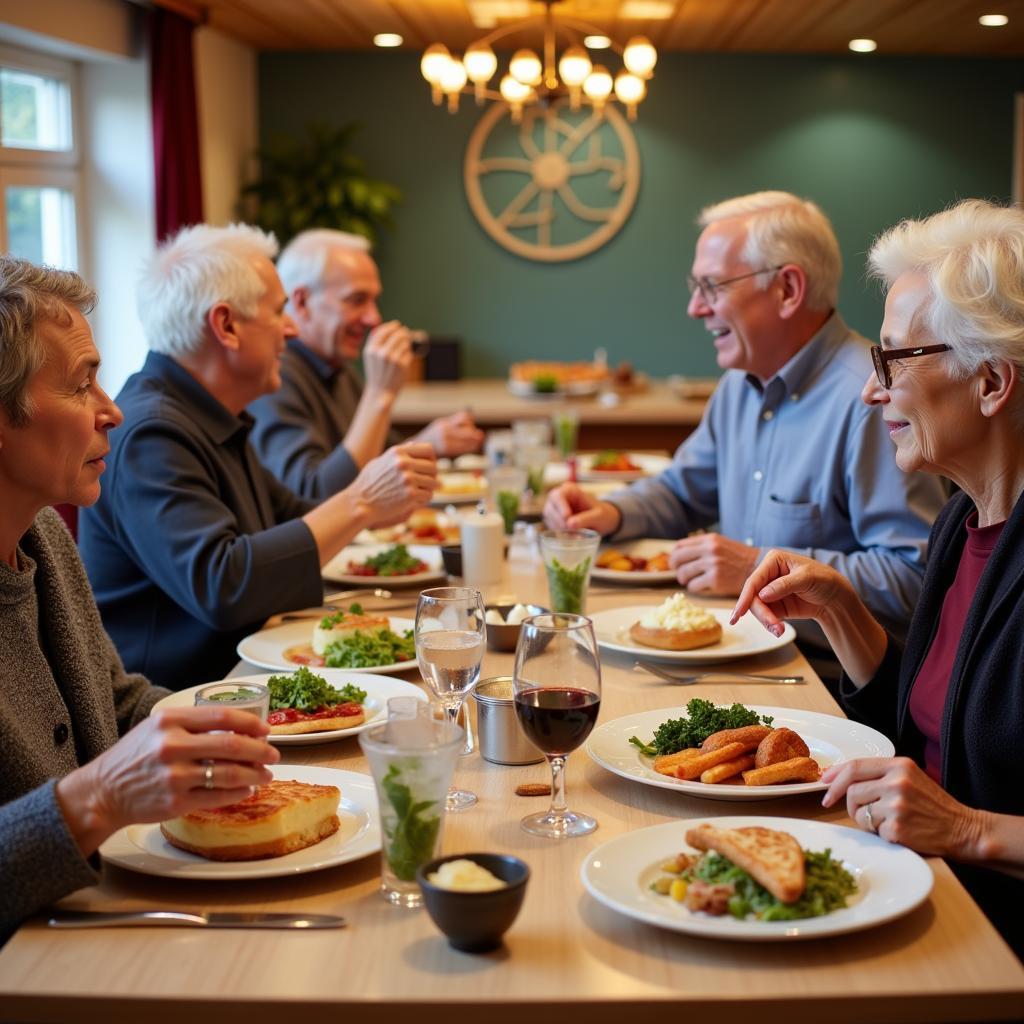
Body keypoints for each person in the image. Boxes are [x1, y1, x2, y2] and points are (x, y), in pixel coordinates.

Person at [731, 199, 1024, 959]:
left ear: (991, 381)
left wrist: (969, 830)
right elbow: (928, 732)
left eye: (892, 361)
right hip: (913, 886)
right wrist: (840, 607)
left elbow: (954, 801)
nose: (871, 391)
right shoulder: (961, 525)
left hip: (988, 941)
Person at [0, 256, 280, 943]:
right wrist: (97, 797)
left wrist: (253, 720)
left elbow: (116, 702)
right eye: (81, 385)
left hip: (103, 910)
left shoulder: (43, 535)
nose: (111, 410)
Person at [544, 191, 946, 644]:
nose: (695, 308)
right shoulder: (740, 383)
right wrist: (612, 512)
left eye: (712, 286)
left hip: (823, 684)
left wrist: (755, 566)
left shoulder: (872, 401)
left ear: (788, 289)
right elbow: (682, 492)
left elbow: (915, 579)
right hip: (741, 650)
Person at [79, 224, 437, 689]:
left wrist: (375, 505)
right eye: (278, 311)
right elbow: (223, 584)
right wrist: (361, 503)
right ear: (226, 325)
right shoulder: (153, 431)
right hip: (183, 705)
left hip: (246, 677)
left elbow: (293, 516)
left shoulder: (207, 411)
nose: (291, 329)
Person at [248, 229, 483, 500]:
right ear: (302, 302)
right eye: (357, 300)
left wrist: (430, 442)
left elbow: (376, 461)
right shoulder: (276, 377)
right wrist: (379, 394)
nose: (374, 317)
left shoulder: (339, 369)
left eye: (374, 300)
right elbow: (312, 496)